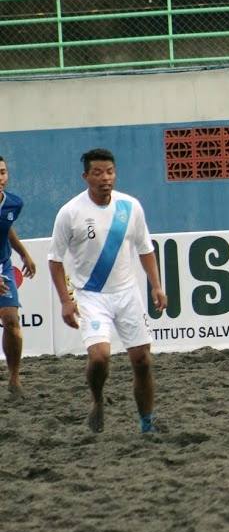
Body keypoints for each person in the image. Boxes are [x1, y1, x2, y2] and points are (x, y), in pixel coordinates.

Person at [48, 148, 167, 433]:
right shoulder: (70, 212)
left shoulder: (130, 207)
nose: (105, 178)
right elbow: (54, 259)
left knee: (142, 361)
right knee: (100, 357)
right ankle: (98, 399)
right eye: (98, 173)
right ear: (86, 176)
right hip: (91, 296)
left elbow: (145, 249)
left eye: (110, 172)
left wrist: (157, 285)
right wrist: (66, 301)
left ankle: (146, 422)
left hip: (127, 294)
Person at [0, 156, 38, 398]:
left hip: (2, 266)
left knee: (11, 321)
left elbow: (5, 228)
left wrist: (24, 254)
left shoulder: (14, 203)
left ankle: (14, 379)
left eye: (2, 172)